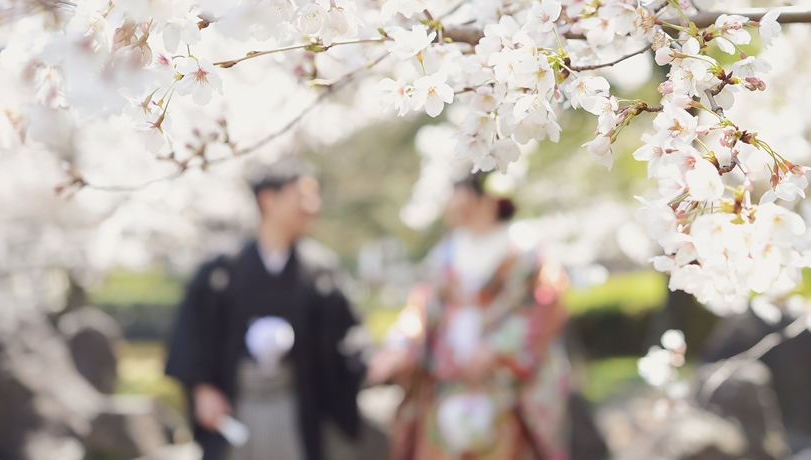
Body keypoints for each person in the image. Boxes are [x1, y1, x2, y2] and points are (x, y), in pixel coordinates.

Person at [165, 162, 365, 460]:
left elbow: (347, 338)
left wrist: (369, 359)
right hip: (238, 403)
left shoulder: (321, 270)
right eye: (304, 196)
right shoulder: (220, 271)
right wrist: (203, 389)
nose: (314, 206)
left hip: (299, 406)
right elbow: (194, 333)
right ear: (268, 200)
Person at [369, 173, 571, 460]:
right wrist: (399, 346)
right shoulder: (445, 252)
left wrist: (497, 349)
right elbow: (423, 307)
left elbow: (545, 305)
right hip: (450, 380)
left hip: (505, 388)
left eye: (457, 192)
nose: (449, 203)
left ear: (484, 197)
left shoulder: (523, 248)